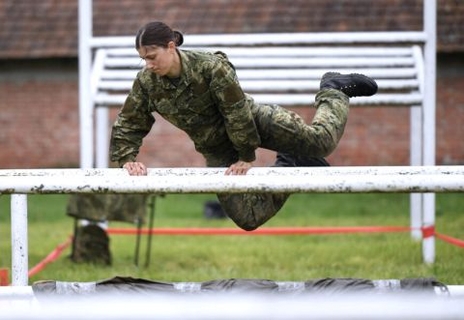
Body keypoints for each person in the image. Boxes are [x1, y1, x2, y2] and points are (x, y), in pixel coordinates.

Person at [110, 21, 378, 231]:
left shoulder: (211, 67)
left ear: (171, 47)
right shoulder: (146, 82)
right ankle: (292, 163)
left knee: (322, 142)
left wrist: (246, 156)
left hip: (254, 122)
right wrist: (127, 159)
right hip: (217, 149)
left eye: (152, 56)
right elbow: (129, 122)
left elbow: (236, 112)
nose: (148, 64)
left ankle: (334, 89)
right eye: (143, 58)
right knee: (248, 217)